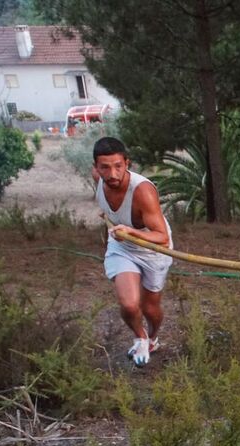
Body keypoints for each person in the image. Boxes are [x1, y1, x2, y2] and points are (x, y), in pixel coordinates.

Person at [93, 137, 173, 367]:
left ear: (127, 163)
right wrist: (119, 229)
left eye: (118, 166)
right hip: (123, 246)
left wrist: (130, 231)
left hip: (154, 250)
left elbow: (162, 236)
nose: (113, 174)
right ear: (96, 168)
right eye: (105, 167)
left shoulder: (142, 192)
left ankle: (153, 337)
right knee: (129, 305)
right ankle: (140, 337)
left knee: (150, 308)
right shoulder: (99, 179)